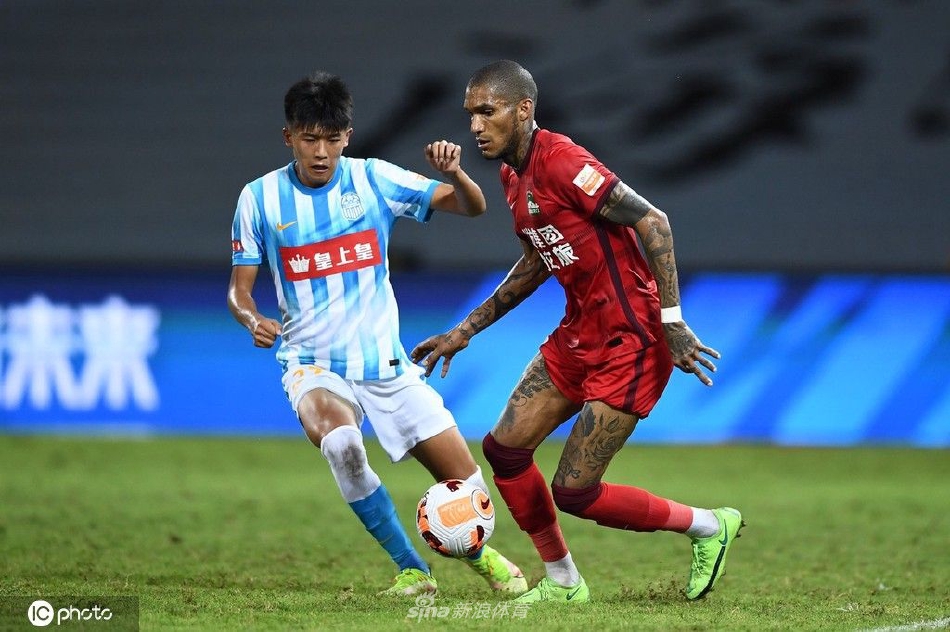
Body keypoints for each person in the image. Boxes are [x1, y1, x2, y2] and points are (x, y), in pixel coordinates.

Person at [411, 60, 743, 604]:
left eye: (487, 111)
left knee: (574, 491)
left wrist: (673, 321)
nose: (475, 126)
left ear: (523, 109)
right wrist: (464, 330)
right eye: (470, 114)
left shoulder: (564, 162)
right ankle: (564, 583)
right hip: (578, 334)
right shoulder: (512, 176)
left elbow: (653, 220)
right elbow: (536, 262)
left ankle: (709, 525)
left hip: (633, 340)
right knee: (505, 452)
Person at [227, 71, 527, 597]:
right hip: (312, 363)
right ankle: (412, 569)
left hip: (386, 364)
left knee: (468, 488)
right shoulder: (259, 199)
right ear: (289, 137)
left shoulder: (372, 180)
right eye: (309, 139)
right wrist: (253, 320)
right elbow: (239, 291)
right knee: (342, 445)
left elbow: (472, 206)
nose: (321, 152)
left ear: (347, 136)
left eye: (332, 138)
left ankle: (478, 555)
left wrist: (456, 175)